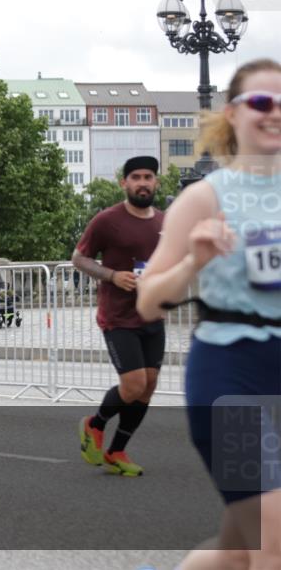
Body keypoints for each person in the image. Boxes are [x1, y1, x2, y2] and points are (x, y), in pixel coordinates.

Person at [136, 59, 281, 570]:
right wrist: (195, 261)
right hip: (231, 377)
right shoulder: (204, 198)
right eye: (262, 102)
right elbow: (149, 298)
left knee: (238, 550)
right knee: (274, 543)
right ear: (233, 114)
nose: (275, 114)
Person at [71, 155, 165, 477]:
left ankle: (116, 450)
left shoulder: (165, 222)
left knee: (149, 385)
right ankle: (94, 425)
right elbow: (79, 258)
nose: (142, 182)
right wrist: (112, 276)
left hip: (153, 315)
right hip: (118, 316)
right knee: (134, 383)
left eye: (148, 177)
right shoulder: (107, 220)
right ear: (124, 183)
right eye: (136, 177)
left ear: (156, 182)